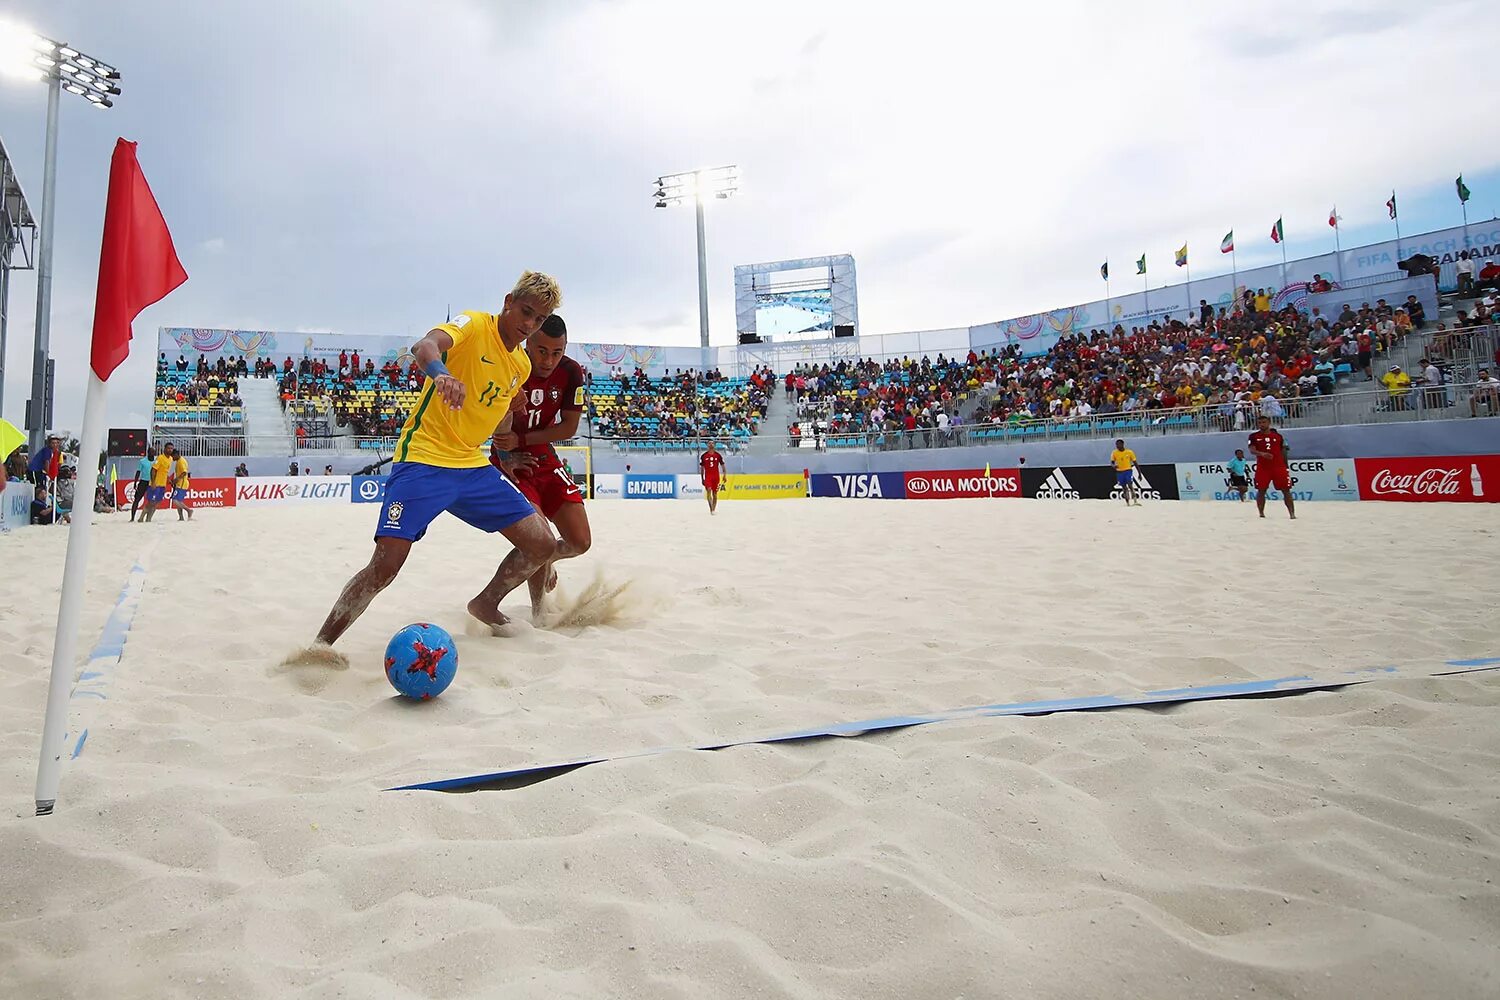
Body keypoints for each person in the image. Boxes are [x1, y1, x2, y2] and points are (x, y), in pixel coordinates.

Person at [306, 270, 567, 658]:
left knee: (542, 543)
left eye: (539, 319)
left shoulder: (521, 365)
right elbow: (424, 346)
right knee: (385, 567)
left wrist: (511, 418)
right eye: (525, 312)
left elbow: (498, 423)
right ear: (508, 302)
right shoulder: (474, 324)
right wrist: (442, 374)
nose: (529, 325)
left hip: (472, 465)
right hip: (424, 459)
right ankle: (320, 645)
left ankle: (486, 604)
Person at [489, 312, 593, 619]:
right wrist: (507, 454)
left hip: (541, 454)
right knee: (539, 539)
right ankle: (538, 611)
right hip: (510, 462)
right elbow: (492, 425)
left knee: (580, 542)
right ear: (528, 344)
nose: (549, 360)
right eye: (542, 351)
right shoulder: (510, 365)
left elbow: (568, 428)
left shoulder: (572, 372)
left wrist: (520, 441)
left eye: (557, 352)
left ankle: (547, 560)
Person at [1248, 415, 1295, 520]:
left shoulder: (1278, 436)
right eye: (1260, 423)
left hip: (1279, 467)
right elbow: (1252, 450)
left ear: (1269, 422)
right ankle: (1261, 513)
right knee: (1261, 490)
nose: (1262, 425)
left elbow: (1283, 451)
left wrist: (1286, 466)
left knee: (1286, 490)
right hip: (1263, 468)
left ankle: (1292, 513)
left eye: (1264, 422)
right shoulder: (1254, 436)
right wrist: (1262, 454)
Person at [141, 443, 173, 522]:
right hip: (156, 483)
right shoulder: (160, 458)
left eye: (171, 449)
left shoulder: (170, 459)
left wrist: (168, 479)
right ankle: (141, 518)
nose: (170, 450)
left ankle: (149, 519)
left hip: (162, 484)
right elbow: (153, 470)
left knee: (157, 502)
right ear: (165, 449)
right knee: (151, 502)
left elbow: (165, 471)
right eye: (168, 448)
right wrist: (153, 482)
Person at [1109, 438, 1140, 507]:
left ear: (1122, 444)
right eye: (1116, 445)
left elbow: (1135, 463)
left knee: (1130, 484)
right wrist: (1113, 466)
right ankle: (1127, 502)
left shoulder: (1129, 452)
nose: (1117, 446)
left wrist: (1139, 473)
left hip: (1128, 470)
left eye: (1118, 444)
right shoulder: (1114, 453)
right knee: (1124, 487)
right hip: (1120, 472)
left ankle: (1135, 500)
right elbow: (1112, 462)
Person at [699, 440, 726, 515]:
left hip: (716, 476)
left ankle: (713, 509)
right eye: (709, 443)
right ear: (707, 445)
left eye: (712, 443)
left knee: (715, 494)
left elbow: (722, 465)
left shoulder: (718, 455)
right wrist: (702, 478)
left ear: (714, 445)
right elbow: (702, 468)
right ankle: (711, 509)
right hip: (708, 477)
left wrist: (724, 475)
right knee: (709, 490)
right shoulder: (704, 456)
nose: (711, 444)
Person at [168, 445, 194, 521]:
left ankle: (189, 510)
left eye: (172, 456)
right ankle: (181, 517)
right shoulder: (179, 461)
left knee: (175, 500)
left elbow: (184, 473)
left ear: (176, 455)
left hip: (181, 484)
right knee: (179, 501)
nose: (172, 458)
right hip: (180, 483)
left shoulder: (181, 461)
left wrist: (176, 479)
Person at [130, 448, 155, 522]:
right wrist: (135, 482)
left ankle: (148, 518)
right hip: (143, 482)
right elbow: (138, 472)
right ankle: (132, 517)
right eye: (151, 452)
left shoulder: (156, 461)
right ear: (148, 452)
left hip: (152, 482)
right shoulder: (142, 461)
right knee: (137, 499)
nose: (152, 453)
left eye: (153, 452)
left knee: (152, 500)